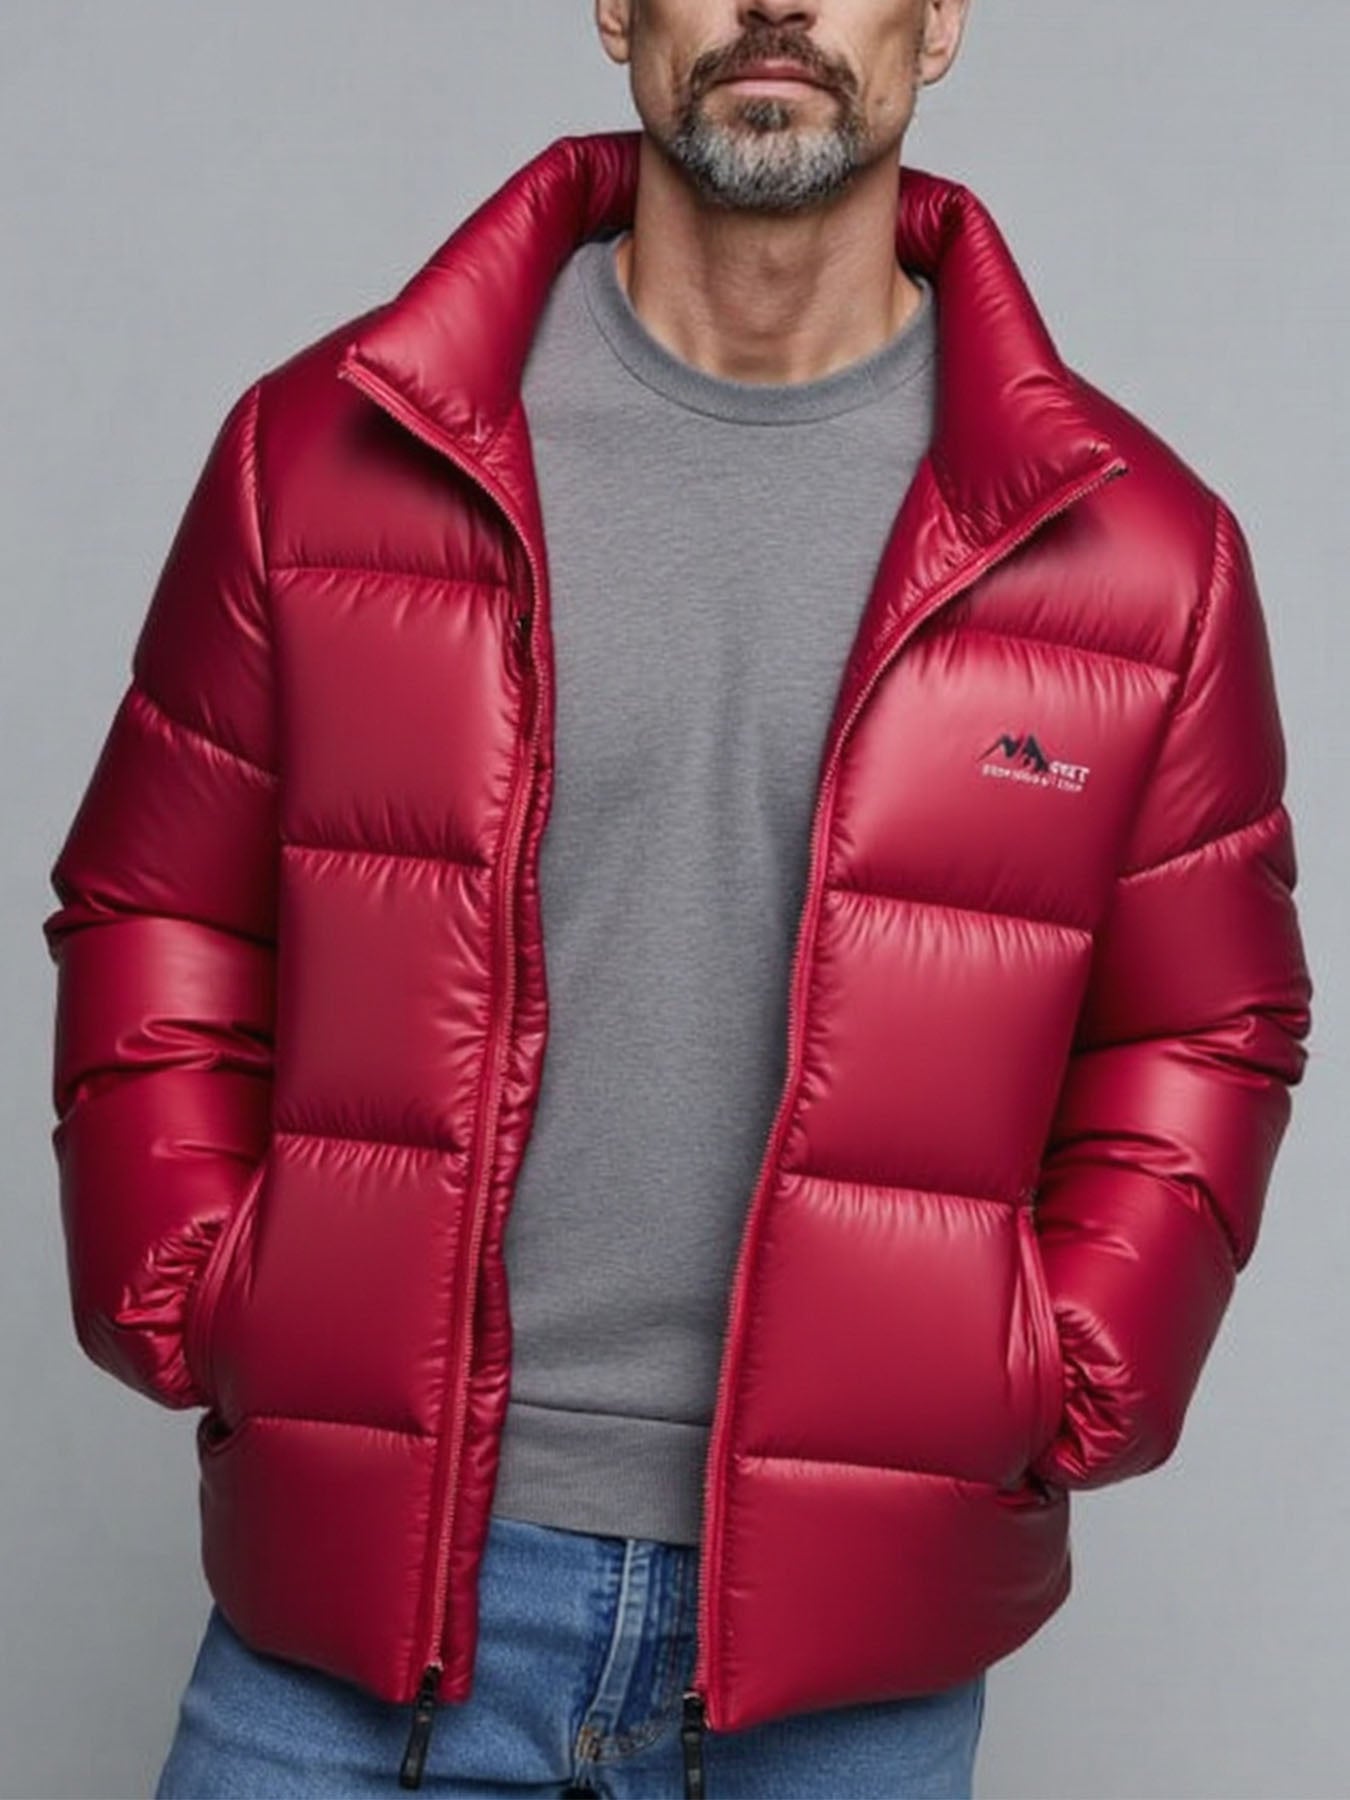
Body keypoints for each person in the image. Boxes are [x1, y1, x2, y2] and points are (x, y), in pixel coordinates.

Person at [42, 2, 1313, 1797]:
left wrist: (1065, 1364)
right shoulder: (322, 455)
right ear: (616, 10)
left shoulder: (1142, 558)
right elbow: (159, 906)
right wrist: (194, 1279)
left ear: (940, 19)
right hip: (359, 1620)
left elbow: (1204, 1026)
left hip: (842, 1671)